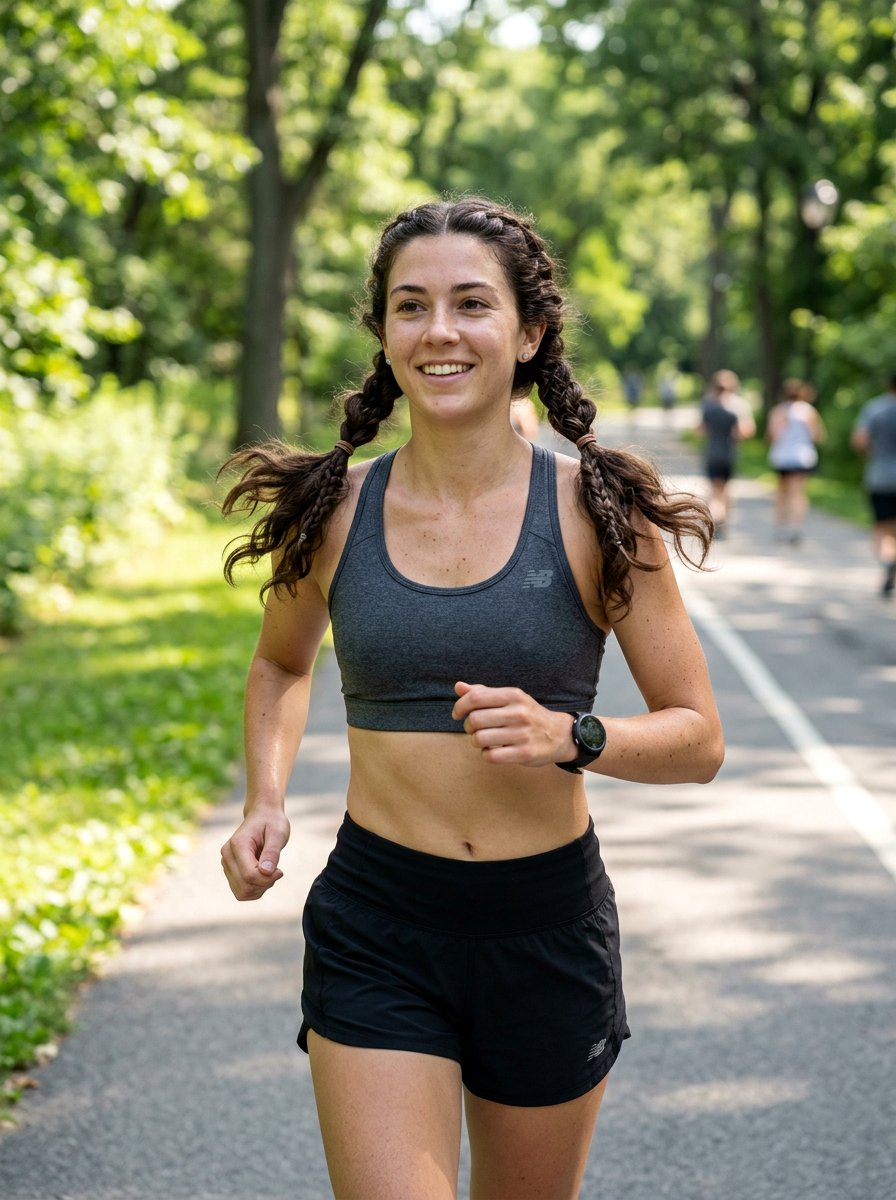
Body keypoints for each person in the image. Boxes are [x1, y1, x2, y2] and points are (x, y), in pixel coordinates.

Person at [218, 196, 724, 1200]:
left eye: (471, 304)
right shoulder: (332, 510)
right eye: (410, 306)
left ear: (529, 333)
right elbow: (281, 665)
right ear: (383, 334)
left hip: (545, 929)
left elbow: (698, 737)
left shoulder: (597, 512)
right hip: (377, 924)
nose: (438, 331)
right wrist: (263, 800)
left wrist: (571, 734)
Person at [851, 373, 896, 598]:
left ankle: (888, 560)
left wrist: (873, 454)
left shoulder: (874, 408)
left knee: (882, 526)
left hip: (880, 476)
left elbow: (859, 440)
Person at [696, 369, 756, 536]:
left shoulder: (708, 403)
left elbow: (700, 430)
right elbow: (745, 431)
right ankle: (722, 521)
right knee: (725, 490)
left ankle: (715, 521)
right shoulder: (738, 405)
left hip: (712, 453)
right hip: (729, 453)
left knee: (714, 490)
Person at [767, 378, 826, 544]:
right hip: (802, 457)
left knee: (782, 493)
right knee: (798, 493)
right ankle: (796, 528)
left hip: (782, 457)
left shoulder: (778, 411)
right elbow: (818, 436)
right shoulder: (808, 411)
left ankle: (780, 527)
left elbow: (773, 436)